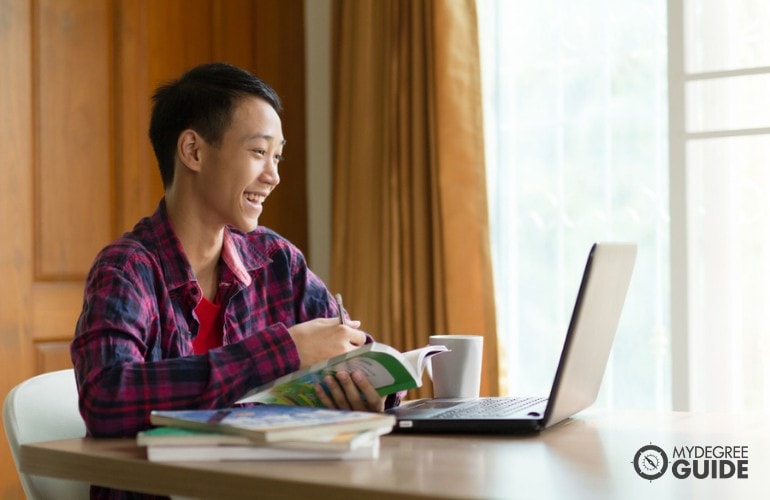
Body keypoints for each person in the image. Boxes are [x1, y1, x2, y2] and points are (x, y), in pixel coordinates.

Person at [71, 62, 395, 461]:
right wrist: (282, 351)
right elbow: (107, 398)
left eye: (277, 156)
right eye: (259, 152)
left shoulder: (276, 261)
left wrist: (370, 391)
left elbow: (355, 353)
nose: (273, 175)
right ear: (193, 151)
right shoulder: (127, 269)